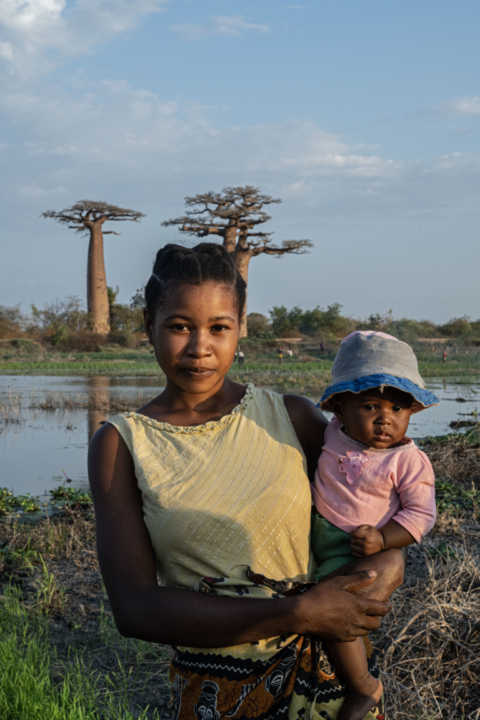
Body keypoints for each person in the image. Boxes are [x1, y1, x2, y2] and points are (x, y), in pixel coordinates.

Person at [88, 244, 403, 720]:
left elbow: (371, 503)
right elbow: (135, 609)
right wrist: (297, 613)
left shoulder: (291, 418)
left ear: (241, 327)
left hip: (331, 686)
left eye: (219, 327)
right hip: (216, 696)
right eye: (179, 326)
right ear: (148, 324)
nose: (200, 347)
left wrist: (385, 562)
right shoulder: (122, 444)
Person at [312, 331, 439, 720]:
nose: (385, 419)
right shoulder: (332, 432)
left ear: (411, 410)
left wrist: (383, 538)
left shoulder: (407, 460)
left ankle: (363, 687)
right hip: (315, 534)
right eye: (370, 406)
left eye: (398, 408)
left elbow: (421, 515)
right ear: (339, 407)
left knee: (336, 613)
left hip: (356, 549)